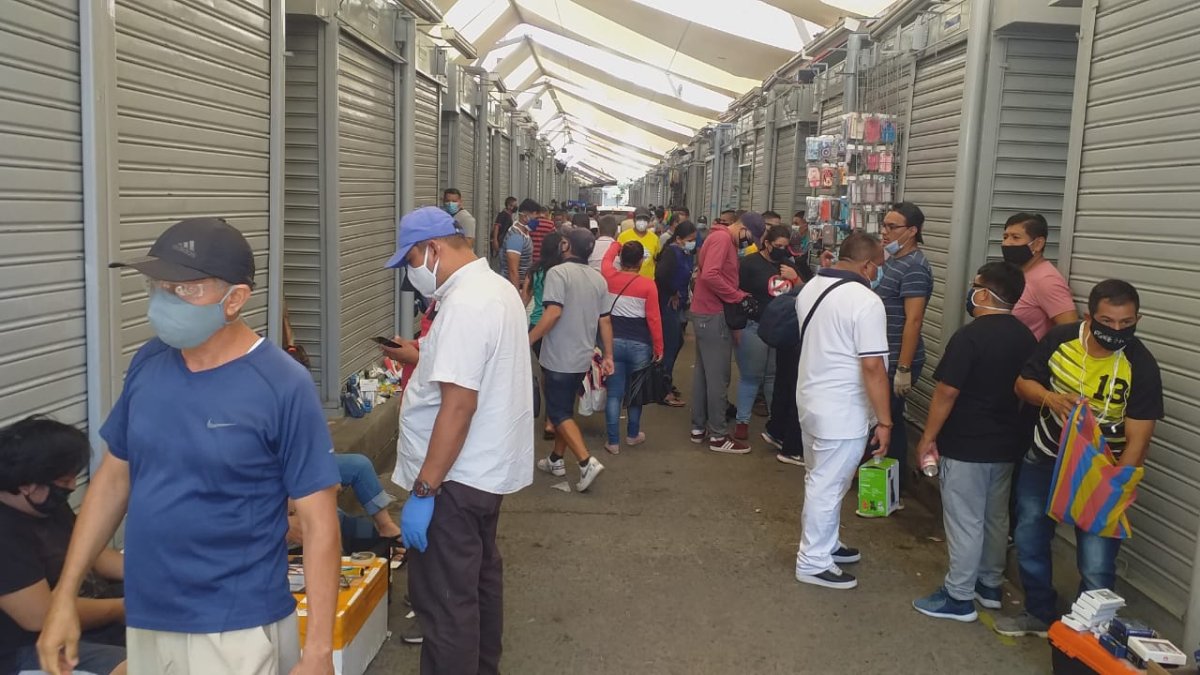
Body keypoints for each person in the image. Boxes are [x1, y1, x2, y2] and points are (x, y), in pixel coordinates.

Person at [39, 218, 341, 675]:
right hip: (147, 617)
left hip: (235, 628)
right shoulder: (148, 362)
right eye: (158, 286)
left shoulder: (282, 385)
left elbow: (320, 524)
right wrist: (64, 596)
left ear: (235, 300)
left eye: (185, 289)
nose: (164, 301)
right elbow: (113, 479)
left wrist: (318, 651)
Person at [385, 206, 534, 673]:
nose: (411, 276)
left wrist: (425, 490)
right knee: (478, 584)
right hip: (483, 474)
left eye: (410, 263)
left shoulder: (467, 303)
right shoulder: (495, 289)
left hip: (454, 481)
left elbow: (458, 405)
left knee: (445, 604)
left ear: (433, 249)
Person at [996, 280, 1163, 638]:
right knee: (1029, 535)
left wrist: (1117, 486)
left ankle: (1087, 636)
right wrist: (1051, 399)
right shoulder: (1062, 339)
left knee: (1097, 560)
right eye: (1108, 321)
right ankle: (1038, 612)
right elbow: (1023, 383)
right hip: (1045, 459)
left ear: (1138, 319)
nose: (1117, 330)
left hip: (1101, 472)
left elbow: (1140, 436)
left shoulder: (1140, 362)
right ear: (1090, 316)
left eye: (1126, 323)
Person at [911, 262, 1036, 622]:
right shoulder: (1024, 336)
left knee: (965, 520)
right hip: (1006, 443)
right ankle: (989, 585)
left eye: (975, 285)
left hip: (967, 443)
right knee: (995, 517)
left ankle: (958, 595)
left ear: (983, 294)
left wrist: (928, 438)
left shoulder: (970, 336)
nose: (971, 290)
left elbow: (947, 392)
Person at [793, 232, 893, 590]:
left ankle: (827, 544)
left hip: (811, 399)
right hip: (842, 409)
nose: (879, 273)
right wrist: (885, 420)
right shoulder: (865, 301)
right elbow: (873, 368)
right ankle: (813, 560)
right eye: (878, 266)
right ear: (866, 265)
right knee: (827, 483)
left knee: (821, 478)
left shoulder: (812, 286)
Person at [1, 417, 127, 675]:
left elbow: (96, 557)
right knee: (146, 665)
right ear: (26, 484)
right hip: (33, 648)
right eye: (63, 481)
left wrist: (156, 576)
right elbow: (37, 614)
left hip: (92, 615)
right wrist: (122, 608)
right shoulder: (6, 534)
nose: (72, 486)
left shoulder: (48, 507)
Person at [528, 229, 613, 492]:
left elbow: (552, 313)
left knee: (558, 412)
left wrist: (525, 340)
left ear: (565, 244)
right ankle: (555, 459)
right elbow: (606, 320)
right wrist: (608, 355)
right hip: (583, 356)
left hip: (558, 356)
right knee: (565, 407)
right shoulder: (598, 279)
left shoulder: (558, 273)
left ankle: (586, 462)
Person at [875, 201, 933, 487]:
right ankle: (885, 484)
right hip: (884, 353)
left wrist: (904, 368)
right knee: (886, 418)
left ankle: (890, 488)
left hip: (899, 356)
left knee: (889, 420)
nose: (884, 232)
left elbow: (914, 320)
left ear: (911, 231)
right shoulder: (893, 260)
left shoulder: (915, 268)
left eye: (891, 227)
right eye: (883, 225)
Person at [689, 212, 755, 454]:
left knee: (704, 374)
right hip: (713, 314)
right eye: (751, 236)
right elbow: (711, 274)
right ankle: (718, 435)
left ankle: (699, 427)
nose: (750, 242)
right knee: (718, 377)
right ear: (742, 227)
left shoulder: (717, 238)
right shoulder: (722, 240)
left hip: (706, 312)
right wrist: (737, 296)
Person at [732, 225, 803, 440]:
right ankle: (742, 421)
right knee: (751, 377)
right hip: (754, 326)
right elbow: (735, 294)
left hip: (781, 329)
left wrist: (795, 278)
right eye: (777, 246)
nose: (781, 250)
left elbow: (808, 292)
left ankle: (776, 422)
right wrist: (737, 325)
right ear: (767, 243)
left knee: (774, 377)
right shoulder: (749, 264)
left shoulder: (789, 266)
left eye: (785, 246)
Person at [599, 241, 664, 454]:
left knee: (614, 394)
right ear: (641, 261)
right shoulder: (648, 285)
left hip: (613, 343)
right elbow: (653, 319)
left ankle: (613, 442)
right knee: (635, 395)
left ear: (621, 259)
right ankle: (633, 435)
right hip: (640, 345)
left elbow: (606, 259)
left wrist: (616, 243)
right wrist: (659, 347)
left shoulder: (609, 276)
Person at [1002, 212, 1079, 340]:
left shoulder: (1047, 280)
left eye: (1015, 237)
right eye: (1005, 237)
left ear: (1038, 244)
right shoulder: (1017, 274)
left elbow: (1070, 331)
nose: (1007, 243)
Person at [655, 220, 698, 407]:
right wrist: (672, 292)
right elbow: (661, 276)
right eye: (690, 239)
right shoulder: (672, 253)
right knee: (670, 346)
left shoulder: (684, 253)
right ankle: (662, 390)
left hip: (678, 304)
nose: (693, 242)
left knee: (676, 342)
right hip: (667, 304)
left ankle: (665, 383)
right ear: (679, 239)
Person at [617, 208, 662, 279]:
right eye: (639, 219)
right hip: (627, 280)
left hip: (647, 281)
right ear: (634, 220)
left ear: (649, 221)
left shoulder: (654, 238)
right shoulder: (623, 237)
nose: (642, 222)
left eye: (645, 219)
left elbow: (657, 259)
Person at [491, 196, 518, 260]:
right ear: (509, 206)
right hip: (500, 243)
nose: (516, 207)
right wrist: (495, 240)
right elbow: (496, 226)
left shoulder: (509, 215)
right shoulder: (503, 214)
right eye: (515, 205)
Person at [529, 203, 554, 268]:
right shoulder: (550, 224)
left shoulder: (531, 223)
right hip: (544, 256)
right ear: (547, 213)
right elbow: (554, 239)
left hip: (531, 256)